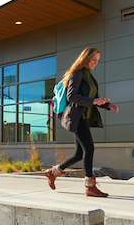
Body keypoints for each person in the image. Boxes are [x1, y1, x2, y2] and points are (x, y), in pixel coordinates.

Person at [47, 47, 119, 197]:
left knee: (80, 153)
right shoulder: (77, 74)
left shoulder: (90, 78)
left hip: (84, 118)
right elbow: (72, 96)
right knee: (89, 149)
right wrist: (93, 100)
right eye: (94, 59)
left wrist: (107, 105)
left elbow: (94, 99)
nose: (96, 63)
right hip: (76, 117)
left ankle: (53, 172)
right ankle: (89, 186)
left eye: (97, 60)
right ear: (86, 58)